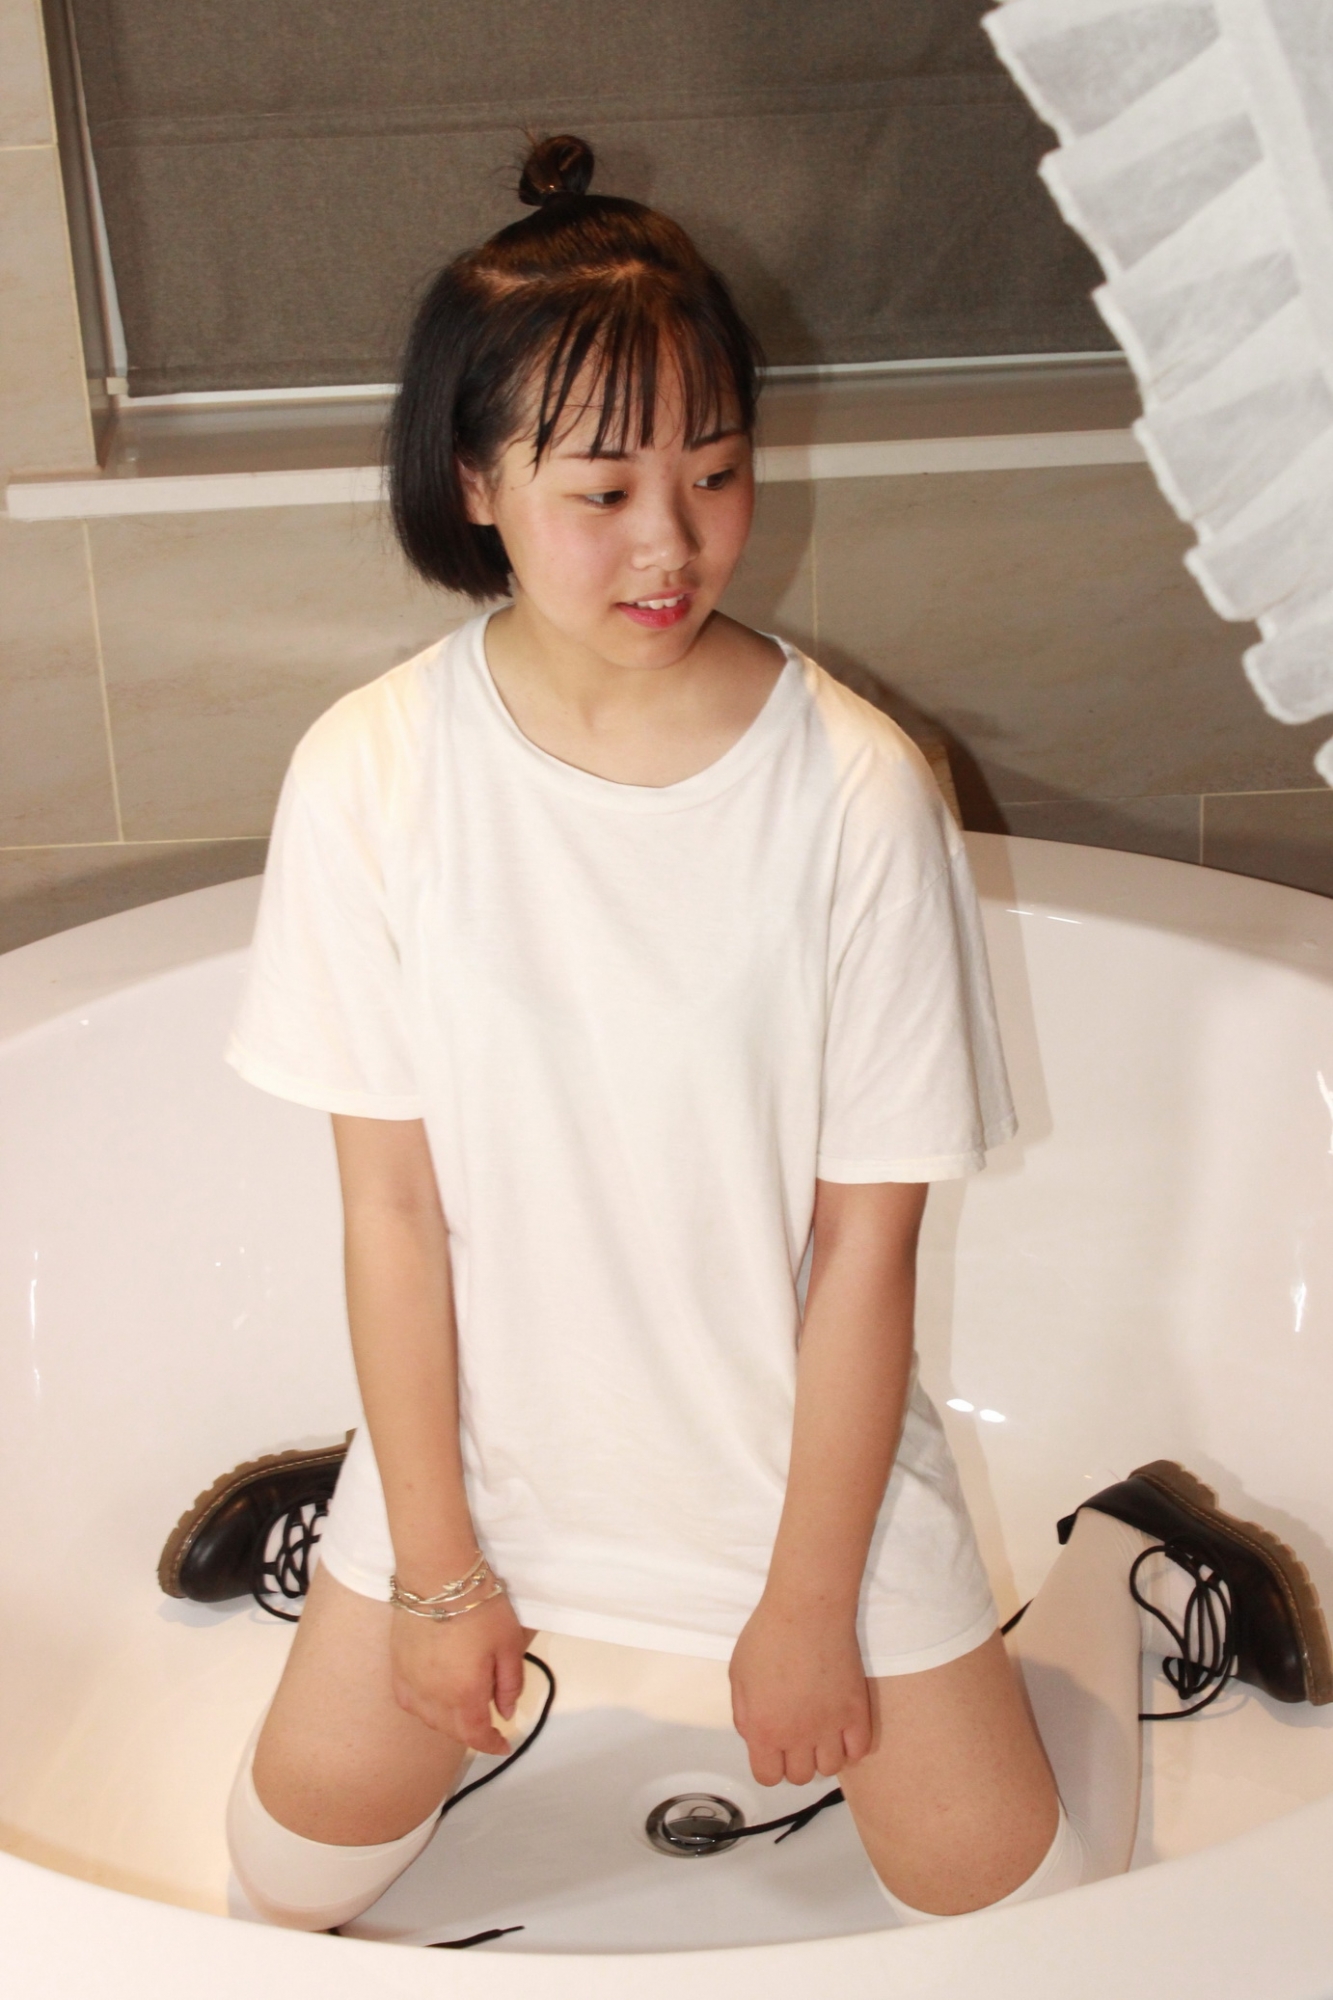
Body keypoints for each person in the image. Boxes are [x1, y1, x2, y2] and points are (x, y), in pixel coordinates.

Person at [163, 134, 1331, 1935]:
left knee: (1012, 1915)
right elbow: (390, 1210)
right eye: (603, 488)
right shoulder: (373, 771)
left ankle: (1117, 1556)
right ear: (472, 478)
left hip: (796, 1476)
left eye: (714, 474)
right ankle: (358, 1523)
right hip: (478, 1468)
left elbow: (866, 1245)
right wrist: (437, 1575)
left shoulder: (854, 789)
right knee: (280, 1888)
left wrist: (803, 1605)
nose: (672, 542)